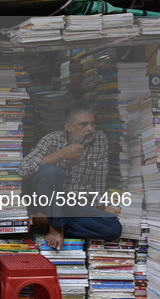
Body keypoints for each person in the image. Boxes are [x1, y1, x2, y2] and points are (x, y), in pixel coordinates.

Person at [19, 100, 122, 250]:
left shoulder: (100, 140)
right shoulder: (51, 140)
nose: (90, 129)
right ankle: (56, 227)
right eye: (83, 124)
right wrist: (60, 155)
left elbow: (98, 185)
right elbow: (24, 169)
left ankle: (48, 221)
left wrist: (94, 215)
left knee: (113, 228)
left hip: (73, 205)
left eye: (93, 124)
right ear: (68, 126)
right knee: (50, 171)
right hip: (47, 200)